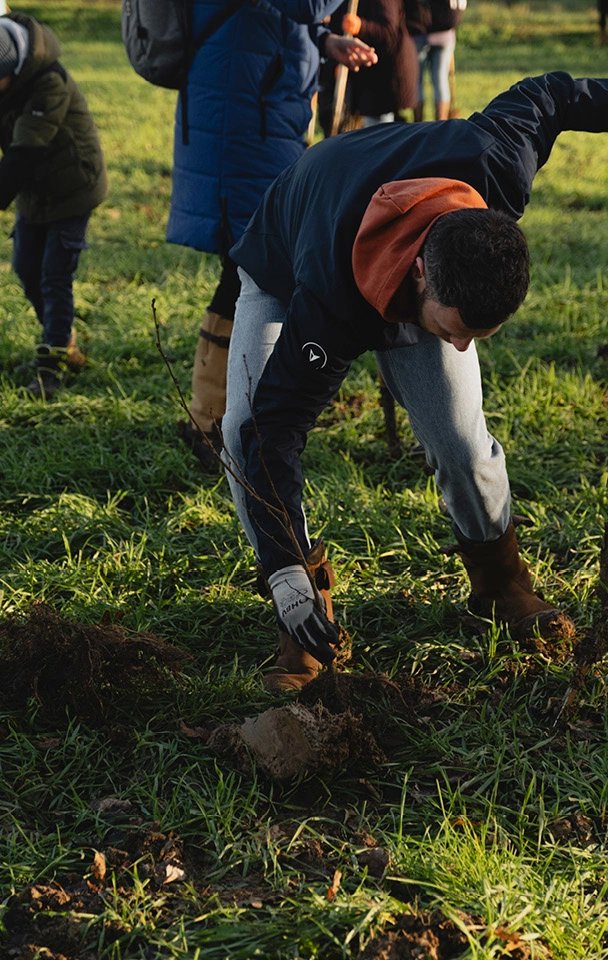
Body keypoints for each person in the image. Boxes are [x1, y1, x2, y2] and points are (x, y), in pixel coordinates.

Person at [221, 71, 606, 692]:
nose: (460, 346)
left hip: (408, 252)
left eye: (480, 334)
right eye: (454, 331)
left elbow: (554, 94)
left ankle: (502, 585)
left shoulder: (496, 161)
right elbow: (274, 431)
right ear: (424, 274)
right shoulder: (328, 295)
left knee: (460, 441)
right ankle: (302, 622)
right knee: (243, 426)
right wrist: (284, 568)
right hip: (291, 258)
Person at [168, 0, 377, 471]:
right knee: (252, 270)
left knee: (249, 271)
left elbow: (278, 13)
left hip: (256, 118)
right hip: (242, 125)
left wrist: (325, 40)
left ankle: (216, 415)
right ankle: (215, 420)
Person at [0, 12, 107, 399]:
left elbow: (25, 151)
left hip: (72, 188)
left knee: (53, 275)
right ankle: (64, 339)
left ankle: (51, 369)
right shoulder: (8, 77)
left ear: (12, 70)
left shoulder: (50, 81)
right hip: (34, 191)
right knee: (26, 268)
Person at [318, 0, 418, 132]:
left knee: (379, 135)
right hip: (359, 74)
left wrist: (360, 26)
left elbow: (389, 33)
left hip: (385, 78)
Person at [407, 0, 466, 121]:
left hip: (418, 32)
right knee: (441, 80)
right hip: (444, 33)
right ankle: (441, 124)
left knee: (417, 82)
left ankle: (418, 124)